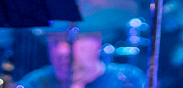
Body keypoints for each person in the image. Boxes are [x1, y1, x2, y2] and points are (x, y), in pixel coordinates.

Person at [16, 29, 145, 88]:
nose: (61, 50)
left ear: (97, 41)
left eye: (71, 40)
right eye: (55, 42)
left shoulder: (126, 78)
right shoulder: (36, 82)